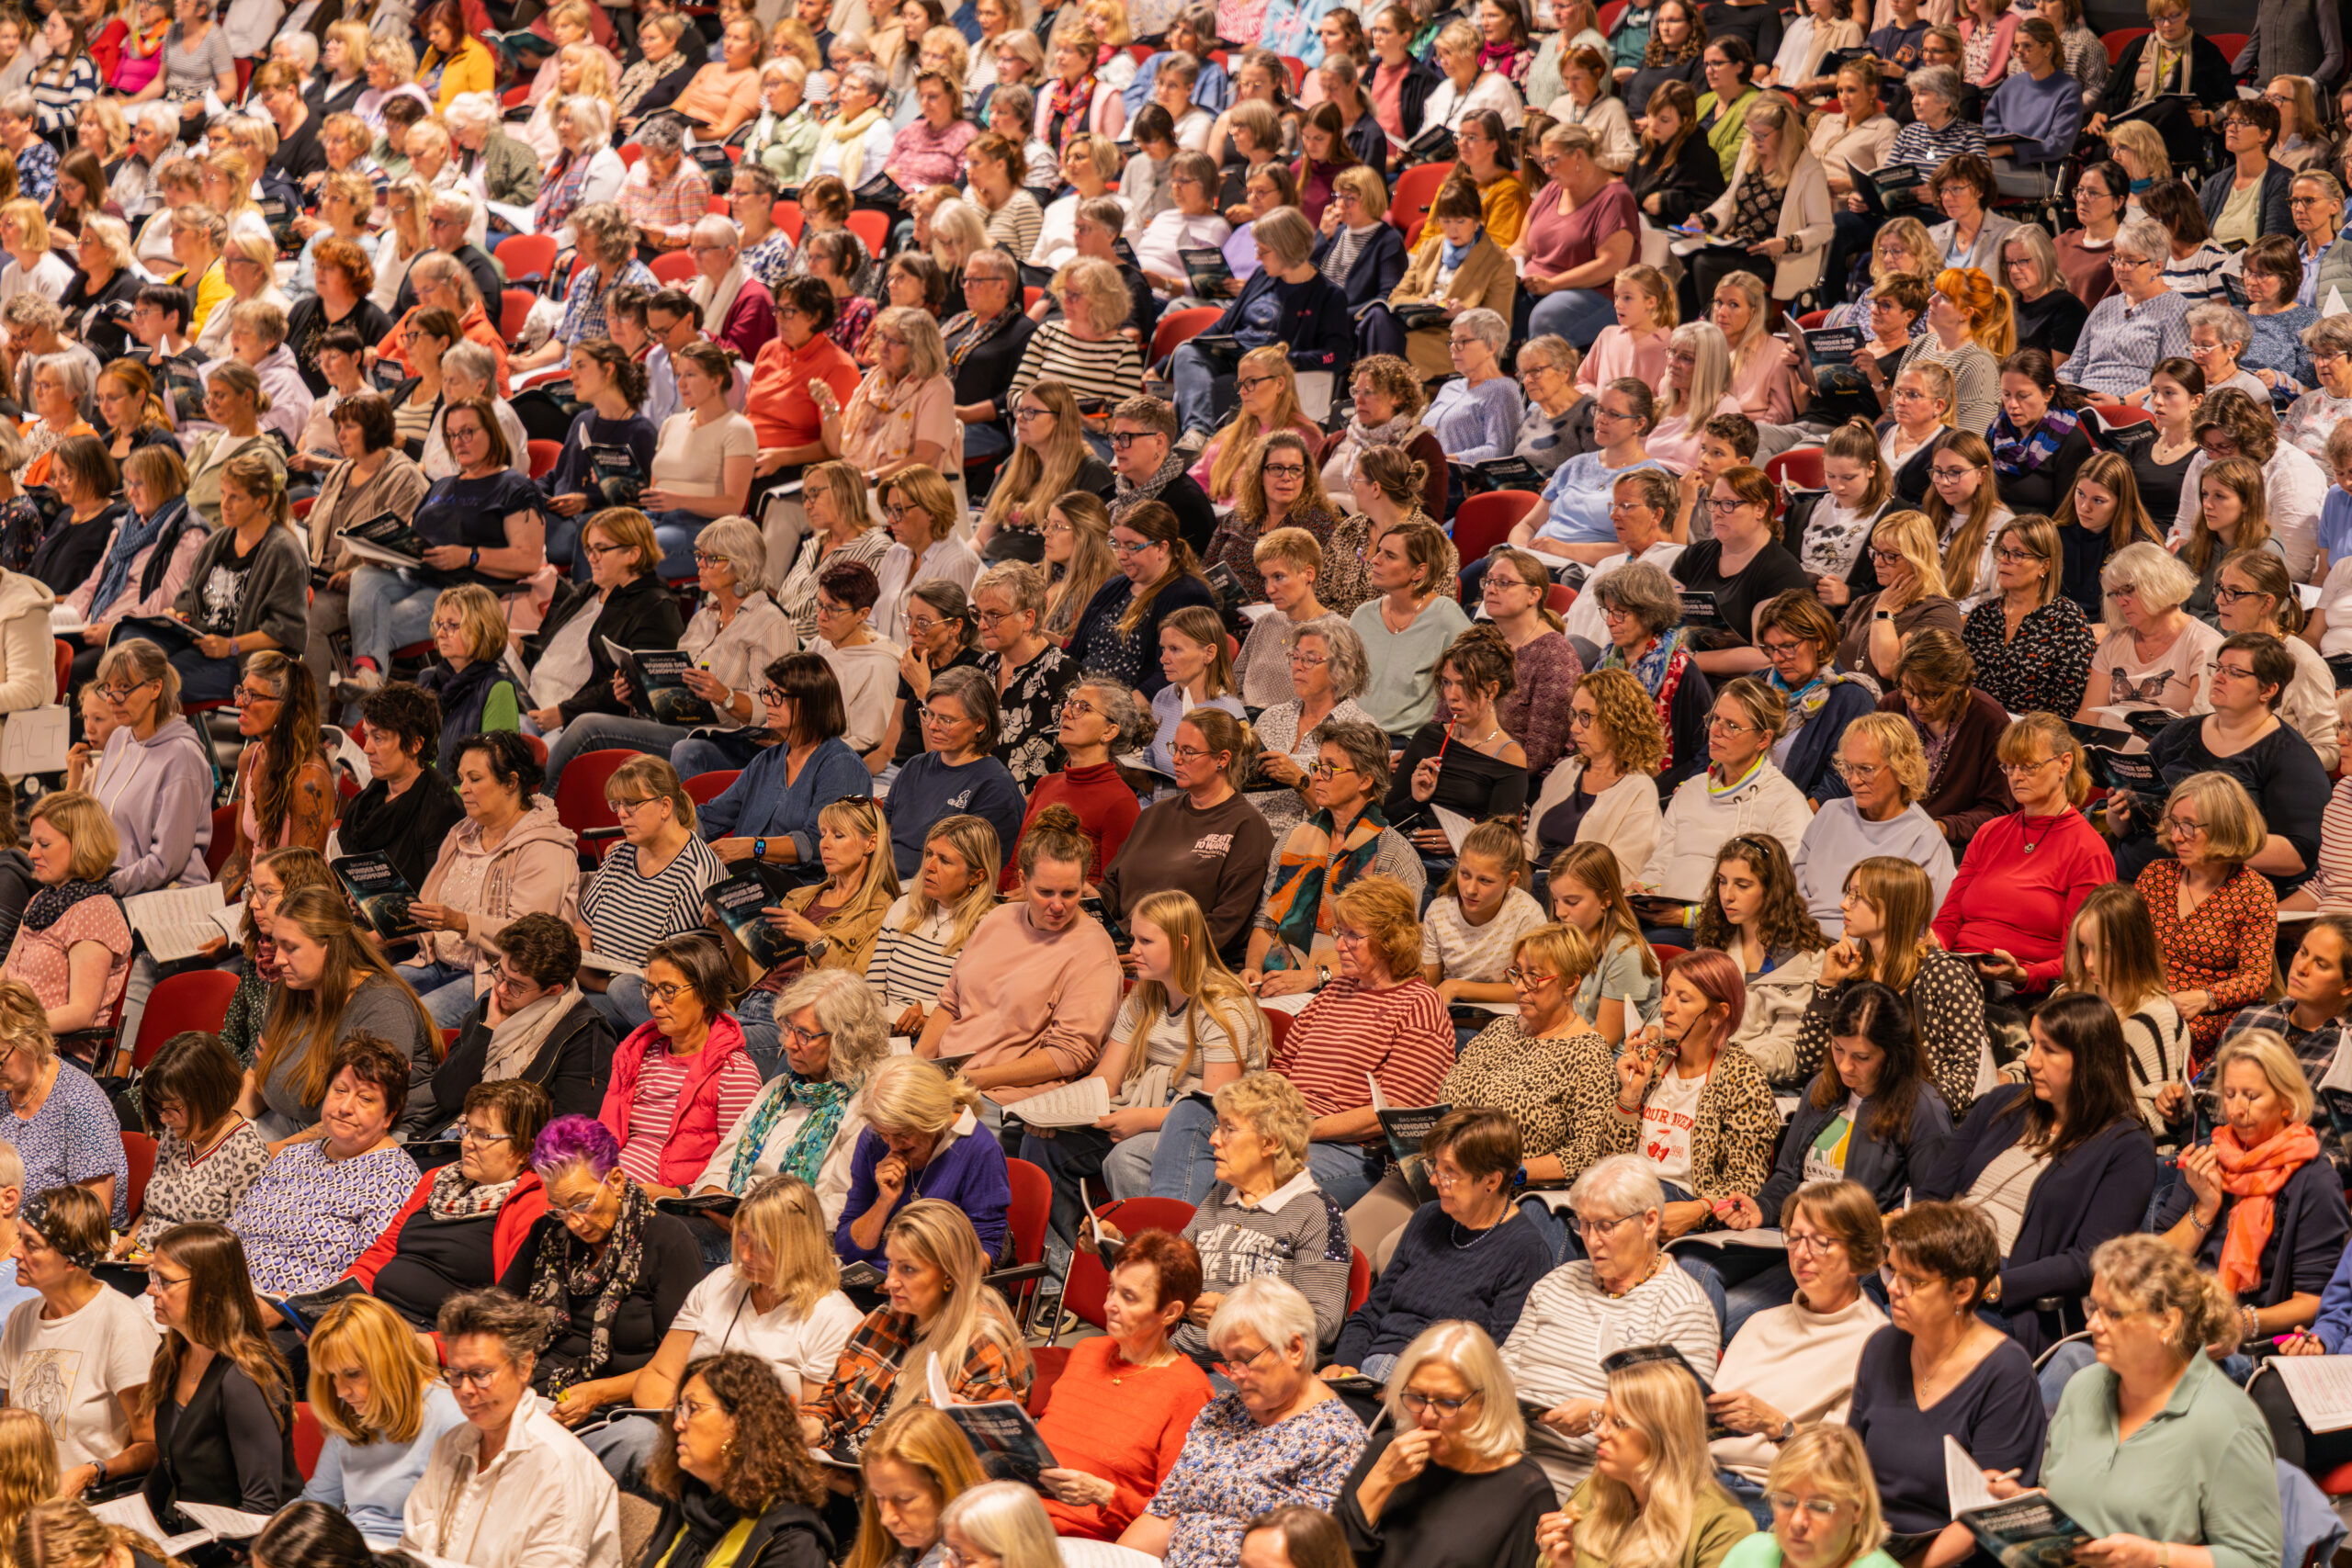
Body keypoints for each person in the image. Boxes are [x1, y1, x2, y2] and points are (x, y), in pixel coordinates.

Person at [1498, 1154, 1722, 1495]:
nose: (1591, 1240)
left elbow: (1681, 1427)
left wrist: (1599, 1414)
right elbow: (1504, 1367)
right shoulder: (1558, 1282)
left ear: (1649, 1222)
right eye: (1583, 1224)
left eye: (1605, 1226)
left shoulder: (1681, 1307)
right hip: (1507, 1453)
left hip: (1590, 1486)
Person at [1120, 1277, 1366, 1566]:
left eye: (1245, 1360)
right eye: (1228, 1362)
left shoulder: (1337, 1439)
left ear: (1294, 1349)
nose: (1235, 1376)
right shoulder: (1222, 1412)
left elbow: (1296, 1560)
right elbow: (1164, 1516)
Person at [1844, 1201, 2045, 1541]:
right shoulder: (1882, 1346)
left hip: (1948, 1552)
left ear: (1962, 1290)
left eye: (1913, 1281)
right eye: (1891, 1270)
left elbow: (1987, 1521)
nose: (1892, 1288)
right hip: (1871, 1542)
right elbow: (1850, 1467)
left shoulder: (2005, 1372)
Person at [400, 1287, 623, 1568]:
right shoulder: (451, 1445)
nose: (465, 1389)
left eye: (480, 1374)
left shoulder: (558, 1466)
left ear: (524, 1367)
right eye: (456, 1374)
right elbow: (411, 1551)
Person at [1329, 1104, 1556, 1358]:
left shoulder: (1525, 1251)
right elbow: (1372, 1312)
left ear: (1492, 1181)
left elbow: (1493, 1357)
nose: (1434, 1180)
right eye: (1434, 1166)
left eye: (1449, 1172)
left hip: (1435, 1374)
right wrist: (1345, 1364)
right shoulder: (1428, 1217)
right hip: (1374, 1363)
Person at [804, 1198, 1031, 1452]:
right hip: (835, 1460)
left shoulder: (986, 1349)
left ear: (949, 1274)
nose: (891, 1282)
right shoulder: (884, 1317)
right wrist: (814, 1422)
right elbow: (834, 1397)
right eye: (891, 1265)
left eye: (908, 1269)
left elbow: (980, 1462)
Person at [1710, 1183, 1892, 1498]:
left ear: (1858, 1252)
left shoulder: (1876, 1343)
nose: (1802, 1254)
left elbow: (1840, 1465)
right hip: (1702, 1476)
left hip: (1778, 1492)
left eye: (1820, 1241)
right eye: (1794, 1238)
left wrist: (1778, 1426)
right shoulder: (1760, 1322)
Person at [392, 732, 581, 1031]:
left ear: (511, 782)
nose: (463, 789)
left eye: (475, 779)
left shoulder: (544, 847)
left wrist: (460, 922)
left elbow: (529, 940)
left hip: (499, 979)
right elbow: (430, 907)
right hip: (436, 961)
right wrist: (383, 909)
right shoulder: (463, 832)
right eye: (462, 779)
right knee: (366, 998)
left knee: (406, 1023)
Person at [1333, 1320, 1554, 1568]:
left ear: (1485, 1403)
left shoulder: (1525, 1490)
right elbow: (1329, 1558)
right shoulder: (1386, 1451)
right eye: (1417, 1397)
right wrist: (1381, 1479)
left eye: (1447, 1402)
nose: (1427, 1416)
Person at [345, 1080, 556, 1329]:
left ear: (523, 1149)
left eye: (483, 1135)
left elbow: (508, 1311)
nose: (466, 1143)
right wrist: (339, 1302)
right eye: (467, 1129)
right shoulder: (438, 1179)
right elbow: (383, 1251)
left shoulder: (533, 1203)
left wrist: (433, 1345)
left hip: (434, 1336)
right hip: (375, 1314)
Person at [2138, 633, 2332, 899]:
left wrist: (2212, 846)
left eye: (2234, 672)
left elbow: (2299, 854)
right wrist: (2121, 811)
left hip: (2217, 896)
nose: (2218, 677)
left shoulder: (2290, 756)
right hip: (2140, 872)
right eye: (2217, 668)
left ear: (2267, 690)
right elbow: (2136, 812)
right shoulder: (2178, 732)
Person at [136, 1222, 301, 1530]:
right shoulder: (170, 1355)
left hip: (244, 1544)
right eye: (152, 1276)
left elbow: (260, 1508)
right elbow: (168, 1468)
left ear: (209, 1288)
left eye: (165, 1281)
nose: (150, 1290)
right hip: (190, 1533)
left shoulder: (244, 1377)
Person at [230, 1035, 422, 1293]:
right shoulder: (292, 1156)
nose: (345, 1107)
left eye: (365, 1098)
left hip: (303, 1314)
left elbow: (368, 1280)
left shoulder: (395, 1178)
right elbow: (233, 1232)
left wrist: (288, 1306)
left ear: (389, 1115)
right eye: (340, 1090)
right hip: (227, 1291)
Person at [0, 1183, 156, 1494]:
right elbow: (11, 1425)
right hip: (22, 1498)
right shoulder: (21, 1317)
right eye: (20, 1238)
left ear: (70, 1260)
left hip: (85, 1504)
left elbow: (151, 1446)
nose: (15, 1252)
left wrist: (91, 1472)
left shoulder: (122, 1324)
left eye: (31, 1245)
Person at [1634, 679, 1812, 932]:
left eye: (1732, 726)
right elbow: (1660, 865)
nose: (1716, 731)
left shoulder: (1785, 803)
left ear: (1763, 739)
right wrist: (1643, 890)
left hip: (1727, 931)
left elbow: (1780, 893)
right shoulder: (1691, 790)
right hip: (1662, 918)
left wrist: (1688, 917)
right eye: (1715, 719)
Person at [2134, 773, 2283, 1065]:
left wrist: (2205, 998)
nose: (2176, 836)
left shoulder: (2253, 892)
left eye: (2189, 826)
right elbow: (2124, 944)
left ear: (2224, 828)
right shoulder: (2156, 875)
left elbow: (2256, 977)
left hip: (2203, 1013)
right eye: (2173, 823)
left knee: (2157, 1037)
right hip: (2144, 997)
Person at [596, 932, 761, 1198]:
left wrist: (674, 1195)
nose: (654, 1003)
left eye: (668, 991)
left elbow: (735, 1171)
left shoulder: (734, 1072)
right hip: (607, 1181)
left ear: (705, 994)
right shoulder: (638, 1053)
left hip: (667, 1204)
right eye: (651, 990)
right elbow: (607, 1132)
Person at [300, 1294, 469, 1547]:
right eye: (332, 1376)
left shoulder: (452, 1418)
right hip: (350, 1549)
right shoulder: (350, 1411)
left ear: (390, 1361)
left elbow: (459, 1537)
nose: (341, 1391)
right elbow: (318, 1502)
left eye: (353, 1374)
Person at [127, 1032, 269, 1252]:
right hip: (142, 1257)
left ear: (208, 1096)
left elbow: (240, 1246)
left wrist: (169, 1263)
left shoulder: (247, 1154)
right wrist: (130, 1240)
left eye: (174, 1107)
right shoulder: (175, 1131)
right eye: (160, 1108)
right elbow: (153, 1211)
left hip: (189, 1267)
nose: (164, 1118)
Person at [1960, 513, 2094, 717]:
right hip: (1978, 725)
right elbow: (1961, 684)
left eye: (2017, 554)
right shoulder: (1982, 615)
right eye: (2002, 551)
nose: (2004, 560)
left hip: (2035, 731)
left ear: (2044, 565)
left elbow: (2069, 704)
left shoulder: (2068, 620)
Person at [1718, 1426, 1900, 1568]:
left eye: (1819, 1507)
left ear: (1857, 1508)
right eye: (1786, 1502)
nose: (1797, 1522)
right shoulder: (1748, 1554)